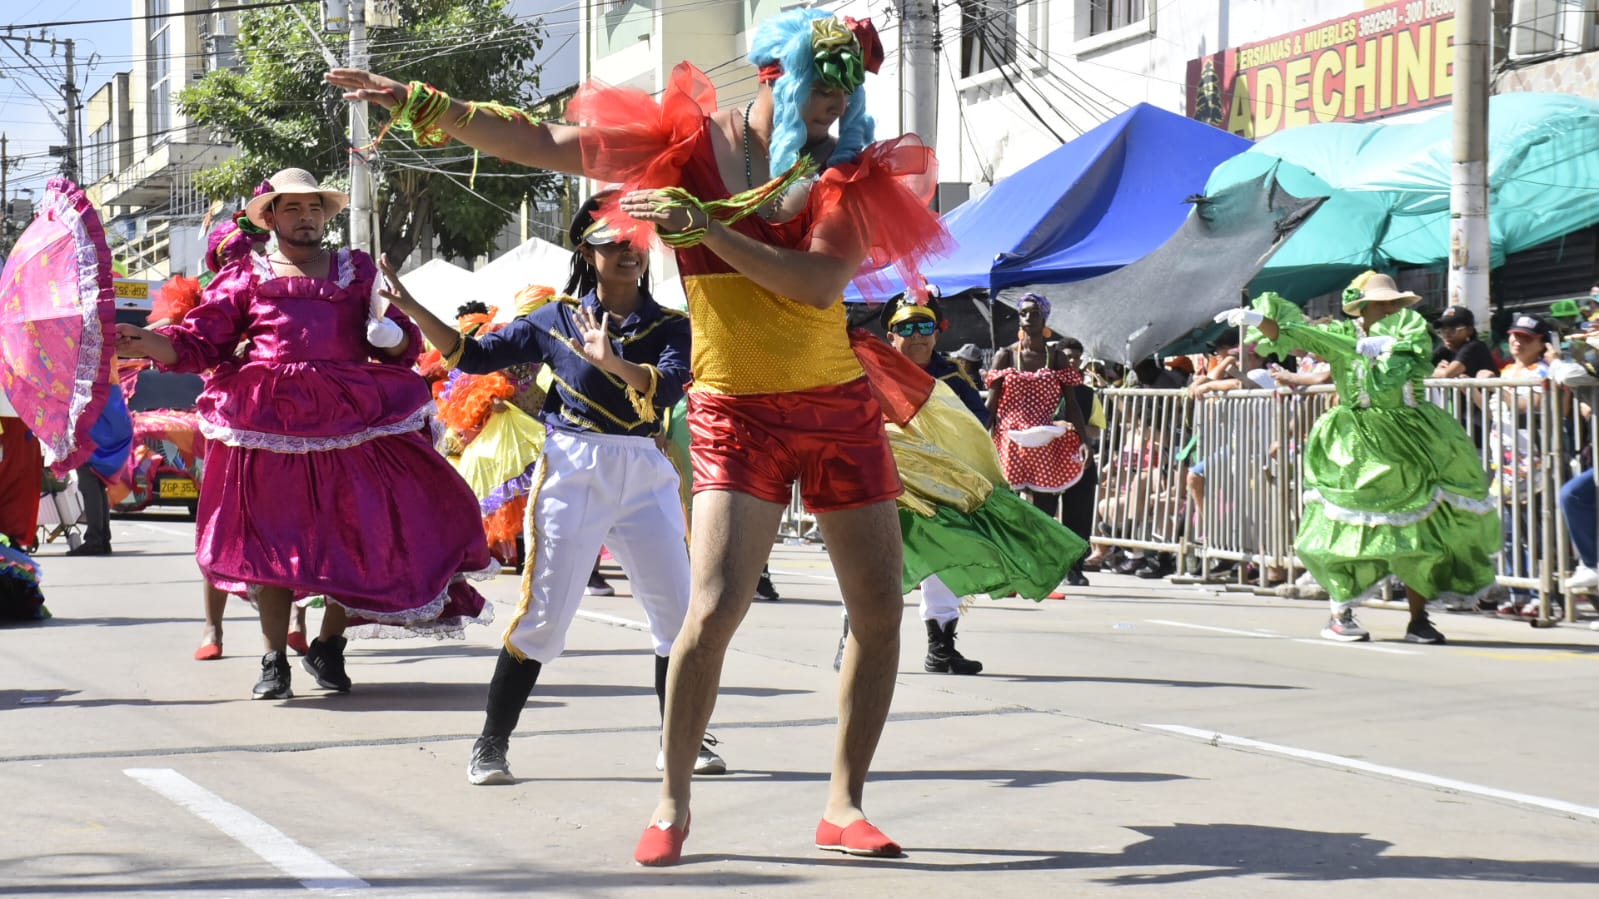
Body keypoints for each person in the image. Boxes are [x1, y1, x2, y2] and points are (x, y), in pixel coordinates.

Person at [330, 9, 947, 864]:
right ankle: (672, 800)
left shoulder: (844, 172)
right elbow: (552, 141)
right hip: (735, 411)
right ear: (775, 78)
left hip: (837, 404)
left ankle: (844, 802)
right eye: (817, 97)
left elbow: (815, 284)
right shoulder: (688, 146)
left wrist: (708, 230)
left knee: (880, 613)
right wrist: (423, 103)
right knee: (712, 608)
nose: (829, 117)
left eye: (842, 103)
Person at [378, 193, 724, 785]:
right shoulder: (553, 319)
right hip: (574, 467)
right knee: (543, 617)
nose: (627, 251)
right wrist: (411, 307)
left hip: (645, 469)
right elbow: (473, 354)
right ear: (586, 253)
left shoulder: (672, 324)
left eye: (635, 241)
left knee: (680, 615)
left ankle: (683, 740)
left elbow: (665, 392)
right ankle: (491, 744)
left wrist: (612, 361)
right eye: (611, 242)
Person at [114, 168, 495, 700]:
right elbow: (202, 342)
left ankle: (330, 645)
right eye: (292, 208)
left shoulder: (356, 269)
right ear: (270, 217)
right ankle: (273, 659)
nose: (307, 217)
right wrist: (142, 342)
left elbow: (402, 344)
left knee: (357, 533)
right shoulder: (245, 273)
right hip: (269, 416)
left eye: (314, 207)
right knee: (270, 543)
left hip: (353, 413)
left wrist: (387, 338)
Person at [1218, 272, 1498, 643]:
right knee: (1346, 527)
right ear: (1363, 307)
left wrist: (1379, 347)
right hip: (1354, 441)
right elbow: (1299, 334)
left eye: (1393, 302)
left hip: (1411, 436)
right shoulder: (1343, 336)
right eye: (1383, 302)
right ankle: (1340, 613)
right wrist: (1256, 320)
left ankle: (1419, 619)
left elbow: (1412, 356)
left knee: (1419, 530)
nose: (1391, 308)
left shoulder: (1409, 329)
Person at [985, 292, 1089, 528]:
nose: (1029, 318)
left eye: (1035, 313)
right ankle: (1011, 559)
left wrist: (1085, 441)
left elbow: (1072, 405)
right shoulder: (1006, 356)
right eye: (1024, 313)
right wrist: (977, 439)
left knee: (1044, 512)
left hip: (1045, 440)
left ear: (1045, 319)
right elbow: (990, 406)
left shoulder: (1056, 358)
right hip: (1010, 441)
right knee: (1008, 509)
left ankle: (1040, 558)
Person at [1431, 306, 1498, 379]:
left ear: (1469, 330)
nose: (1447, 335)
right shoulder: (1444, 350)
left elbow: (1447, 374)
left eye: (1453, 330)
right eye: (1443, 330)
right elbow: (1421, 369)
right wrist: (1437, 370)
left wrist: (1437, 371)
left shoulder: (1475, 347)